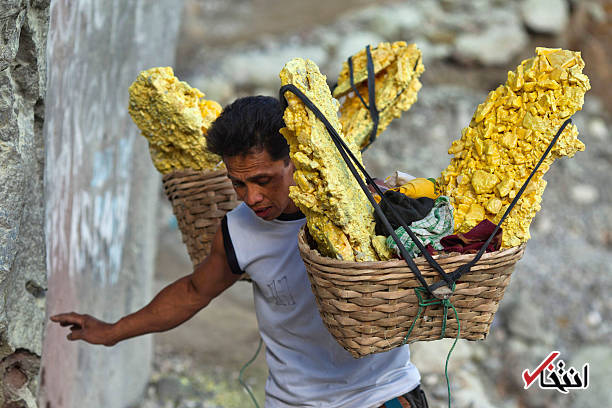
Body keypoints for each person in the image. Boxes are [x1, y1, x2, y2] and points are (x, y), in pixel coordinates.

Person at [51, 96, 429, 408]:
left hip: (381, 395)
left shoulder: (364, 207)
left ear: (294, 160)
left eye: (263, 181)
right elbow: (193, 292)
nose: (252, 198)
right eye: (238, 184)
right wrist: (114, 331)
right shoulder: (237, 231)